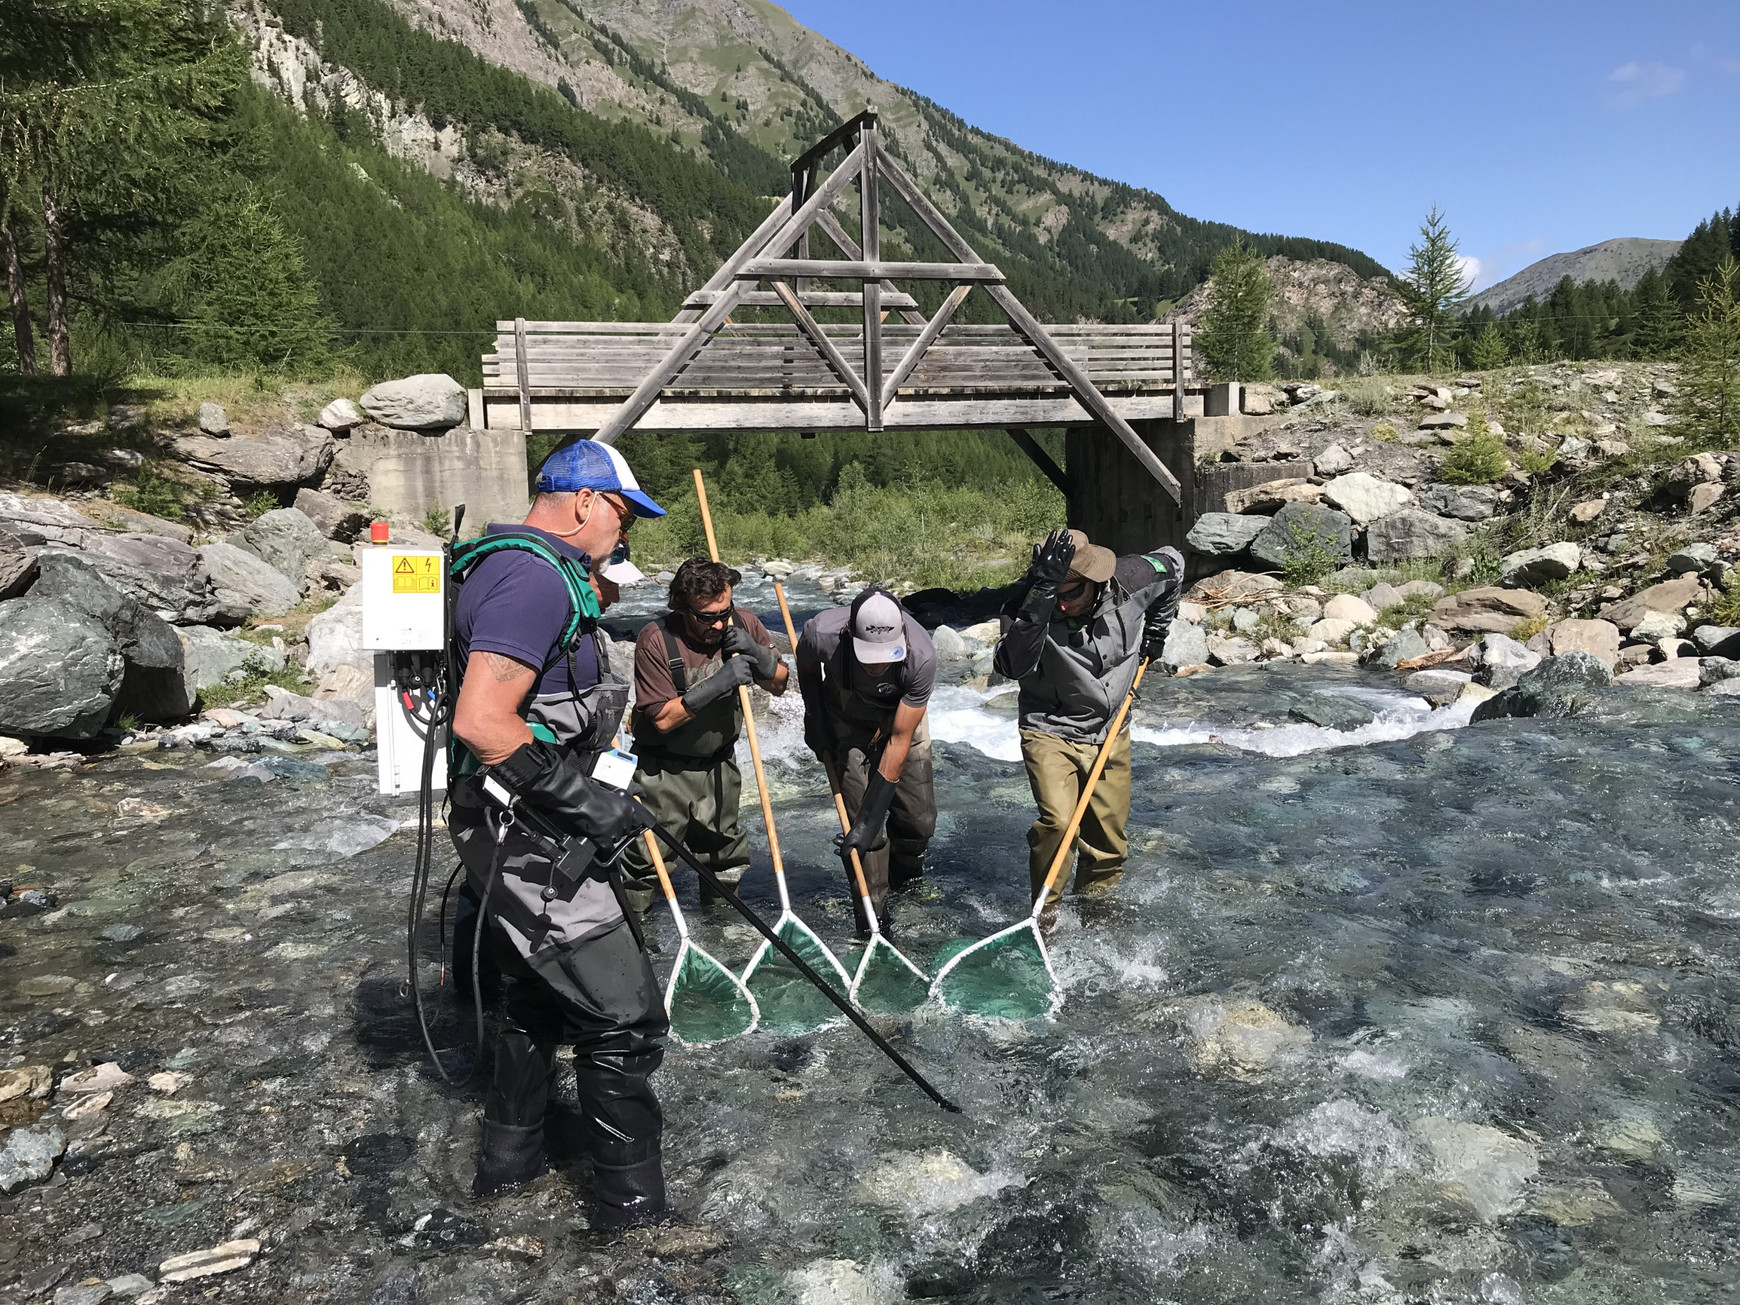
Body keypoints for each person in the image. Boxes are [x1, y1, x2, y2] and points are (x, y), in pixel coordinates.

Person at [445, 438, 670, 1227]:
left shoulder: (520, 568)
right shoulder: (535, 579)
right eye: (623, 511)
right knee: (624, 1016)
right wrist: (587, 802)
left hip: (508, 827)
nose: (625, 531)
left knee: (532, 998)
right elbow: (481, 720)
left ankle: (509, 1170)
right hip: (530, 837)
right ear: (583, 500)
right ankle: (633, 1217)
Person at [993, 528, 1184, 907]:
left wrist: (1158, 631)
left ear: (1095, 581)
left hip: (1112, 728)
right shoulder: (1026, 606)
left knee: (1108, 843)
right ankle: (1045, 915)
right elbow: (1010, 665)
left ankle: (1096, 915)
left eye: (1071, 594)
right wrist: (1040, 600)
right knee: (1060, 826)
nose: (1061, 605)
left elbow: (1175, 564)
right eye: (1055, 596)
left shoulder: (1132, 578)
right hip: (1050, 728)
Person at [617, 558, 788, 920]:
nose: (720, 623)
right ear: (683, 608)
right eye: (708, 616)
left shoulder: (743, 623)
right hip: (664, 771)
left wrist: (758, 654)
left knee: (725, 858)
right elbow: (662, 719)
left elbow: (780, 684)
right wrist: (720, 681)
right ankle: (637, 935)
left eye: (724, 611)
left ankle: (721, 932)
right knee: (647, 863)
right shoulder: (656, 639)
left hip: (719, 766)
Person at [796, 587, 937, 934]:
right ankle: (872, 916)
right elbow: (806, 664)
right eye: (868, 654)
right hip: (847, 722)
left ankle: (906, 882)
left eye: (886, 654)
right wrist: (814, 715)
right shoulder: (822, 633)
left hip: (902, 722)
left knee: (920, 821)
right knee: (863, 834)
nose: (877, 664)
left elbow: (900, 740)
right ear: (849, 632)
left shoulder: (922, 656)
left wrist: (872, 818)